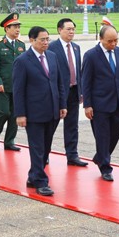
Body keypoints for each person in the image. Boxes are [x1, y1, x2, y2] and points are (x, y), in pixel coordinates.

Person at [13, 26, 67, 197]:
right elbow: (18, 90)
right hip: (33, 113)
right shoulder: (22, 60)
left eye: (47, 39)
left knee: (46, 148)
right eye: (42, 40)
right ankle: (41, 182)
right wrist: (20, 114)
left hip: (52, 110)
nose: (46, 42)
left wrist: (62, 105)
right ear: (32, 40)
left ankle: (33, 175)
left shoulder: (52, 56)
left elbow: (59, 82)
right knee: (37, 148)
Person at [81, 25, 119, 181]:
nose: (114, 44)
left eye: (116, 40)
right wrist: (87, 105)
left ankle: (100, 155)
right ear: (101, 39)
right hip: (99, 104)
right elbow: (86, 82)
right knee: (102, 136)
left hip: (118, 101)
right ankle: (105, 167)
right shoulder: (91, 55)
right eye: (110, 41)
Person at [48, 18, 87, 166]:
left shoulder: (76, 48)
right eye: (68, 29)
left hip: (74, 91)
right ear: (59, 30)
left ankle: (72, 155)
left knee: (72, 125)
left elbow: (79, 71)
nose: (71, 32)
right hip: (58, 93)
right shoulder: (52, 47)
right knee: (51, 125)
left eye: (73, 29)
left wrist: (81, 91)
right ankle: (44, 153)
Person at [0, 13, 25, 151]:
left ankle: (9, 141)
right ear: (6, 28)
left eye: (18, 27)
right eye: (14, 27)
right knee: (4, 112)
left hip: (17, 86)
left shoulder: (21, 45)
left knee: (14, 114)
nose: (17, 29)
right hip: (3, 85)